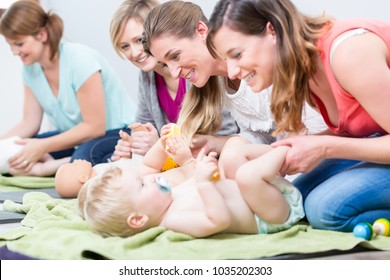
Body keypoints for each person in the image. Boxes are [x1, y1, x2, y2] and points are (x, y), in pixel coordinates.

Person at [207, 0, 390, 232]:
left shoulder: (348, 54)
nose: (232, 71)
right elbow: (361, 127)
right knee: (296, 199)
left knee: (323, 210)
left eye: (237, 54)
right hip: (379, 138)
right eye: (227, 60)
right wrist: (294, 148)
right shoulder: (303, 68)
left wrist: (325, 148)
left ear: (271, 30)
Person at [142, 0, 325, 177]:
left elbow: (310, 133)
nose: (174, 73)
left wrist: (237, 152)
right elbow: (264, 132)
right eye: (165, 65)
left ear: (201, 31)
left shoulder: (256, 61)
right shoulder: (219, 81)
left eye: (175, 56)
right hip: (295, 156)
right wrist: (218, 144)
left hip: (320, 152)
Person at [78, 123, 304, 238]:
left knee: (234, 149)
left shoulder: (171, 197)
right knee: (247, 176)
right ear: (138, 219)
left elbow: (199, 177)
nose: (150, 180)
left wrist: (202, 167)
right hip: (269, 215)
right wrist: (204, 184)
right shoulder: (174, 220)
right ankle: (292, 148)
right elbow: (218, 221)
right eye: (142, 185)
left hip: (260, 195)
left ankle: (281, 152)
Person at [0, 1, 136, 175]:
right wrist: (3, 144)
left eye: (19, 44)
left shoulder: (80, 61)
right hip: (76, 136)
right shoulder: (29, 70)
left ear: (41, 34)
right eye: (10, 44)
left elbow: (94, 127)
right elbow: (30, 123)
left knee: (79, 165)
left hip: (116, 133)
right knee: (17, 153)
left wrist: (42, 147)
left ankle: (60, 164)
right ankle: (64, 162)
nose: (14, 51)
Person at [109, 0, 238, 162]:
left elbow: (230, 137)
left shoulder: (200, 72)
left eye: (139, 41)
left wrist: (161, 149)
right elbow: (144, 125)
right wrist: (134, 144)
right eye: (124, 46)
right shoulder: (148, 77)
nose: (134, 53)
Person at [54, 157, 132, 198]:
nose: (75, 160)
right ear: (83, 178)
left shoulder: (96, 169)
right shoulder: (104, 178)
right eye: (74, 165)